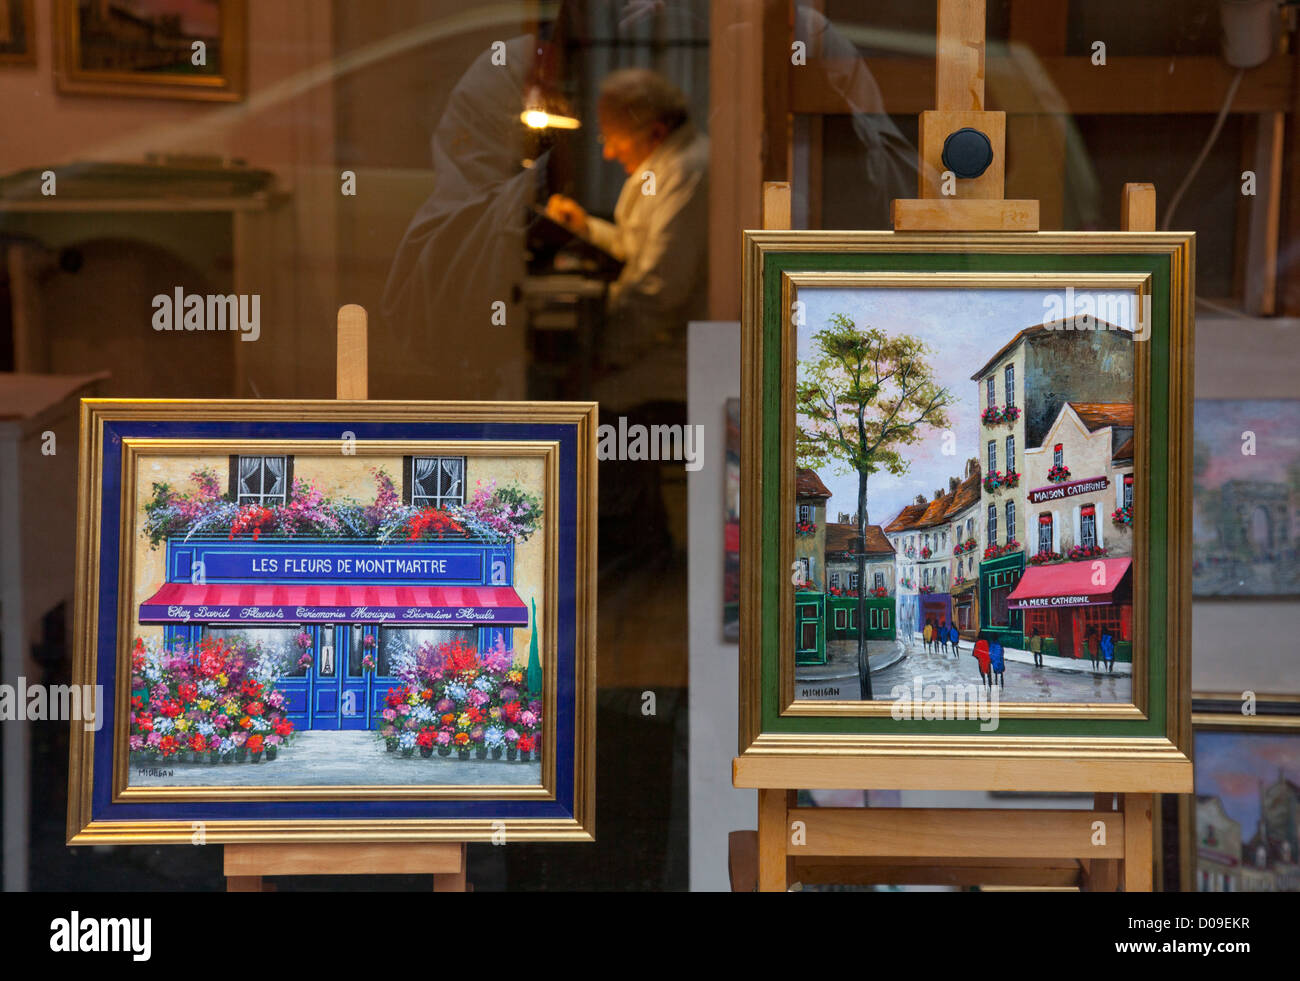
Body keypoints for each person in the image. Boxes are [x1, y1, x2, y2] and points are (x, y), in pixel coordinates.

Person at [545, 67, 709, 412]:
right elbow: (636, 248)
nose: (608, 153)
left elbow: (659, 286)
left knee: (580, 403)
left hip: (678, 350)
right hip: (655, 340)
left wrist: (607, 357)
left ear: (656, 132)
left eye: (614, 140)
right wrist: (585, 228)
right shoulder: (667, 163)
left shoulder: (685, 172)